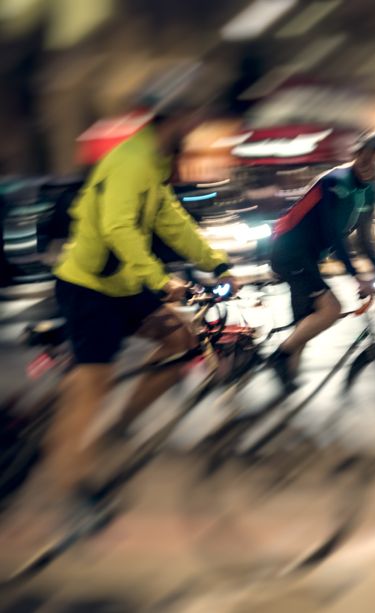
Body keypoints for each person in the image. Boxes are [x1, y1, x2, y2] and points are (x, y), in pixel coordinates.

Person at [49, 76, 238, 516]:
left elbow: (170, 220)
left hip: (124, 285)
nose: (198, 120)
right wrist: (158, 280)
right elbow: (118, 227)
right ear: (174, 115)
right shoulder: (132, 160)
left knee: (181, 340)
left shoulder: (153, 161)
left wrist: (217, 262)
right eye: (193, 111)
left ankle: (118, 429)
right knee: (91, 383)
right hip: (90, 287)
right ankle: (71, 488)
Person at [267, 131, 375, 386]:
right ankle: (278, 358)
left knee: (304, 324)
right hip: (289, 252)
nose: (370, 166)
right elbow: (333, 235)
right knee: (331, 309)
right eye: (366, 159)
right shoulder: (335, 182)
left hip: (309, 257)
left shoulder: (371, 191)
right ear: (357, 155)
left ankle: (285, 393)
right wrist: (357, 276)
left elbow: (365, 239)